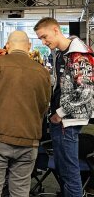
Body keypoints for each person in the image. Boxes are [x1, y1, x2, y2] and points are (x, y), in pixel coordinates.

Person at [0, 31, 51, 197]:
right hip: (29, 138)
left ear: (8, 46)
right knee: (20, 191)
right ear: (29, 47)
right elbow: (44, 106)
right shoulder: (42, 72)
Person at [34, 17, 94, 196]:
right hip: (61, 120)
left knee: (69, 171)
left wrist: (60, 113)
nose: (44, 42)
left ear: (55, 30)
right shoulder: (63, 53)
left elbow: (86, 92)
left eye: (45, 37)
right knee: (64, 170)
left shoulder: (79, 54)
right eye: (41, 40)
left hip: (68, 121)